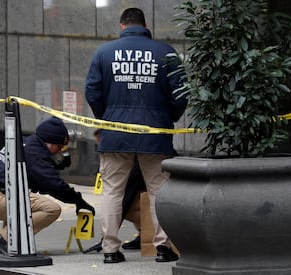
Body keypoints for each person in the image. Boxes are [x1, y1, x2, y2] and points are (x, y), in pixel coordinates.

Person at [85, 8, 188, 264]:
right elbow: (181, 93)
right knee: (158, 191)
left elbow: (92, 91)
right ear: (145, 25)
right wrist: (168, 119)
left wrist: (106, 117)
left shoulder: (104, 52)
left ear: (122, 26)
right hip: (155, 133)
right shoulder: (165, 52)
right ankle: (163, 247)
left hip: (116, 133)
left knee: (112, 191)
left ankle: (110, 249)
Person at [0, 116, 95, 254]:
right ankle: (5, 239)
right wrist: (78, 200)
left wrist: (54, 166)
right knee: (51, 209)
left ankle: (10, 243)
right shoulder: (36, 155)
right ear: (50, 142)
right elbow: (54, 186)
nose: (60, 151)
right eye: (59, 146)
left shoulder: (26, 143)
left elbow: (35, 178)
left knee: (22, 195)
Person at [84, 129, 146, 253]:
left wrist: (105, 241)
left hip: (147, 191)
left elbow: (125, 199)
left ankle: (149, 235)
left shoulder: (131, 162)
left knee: (120, 202)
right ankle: (147, 236)